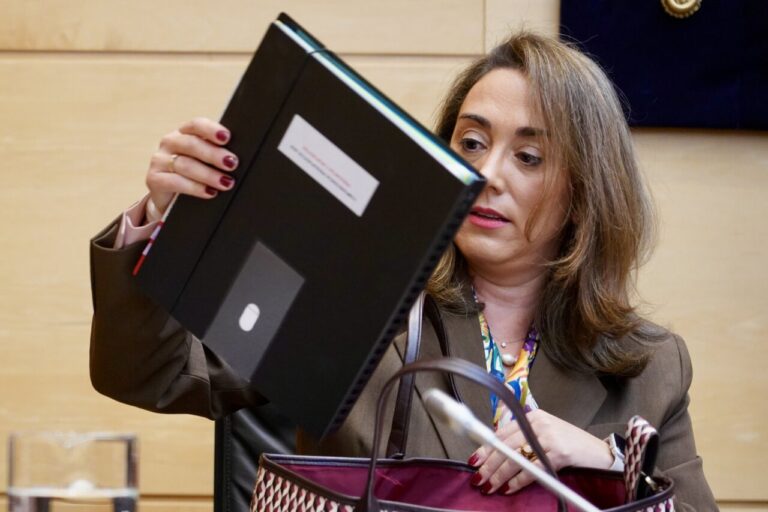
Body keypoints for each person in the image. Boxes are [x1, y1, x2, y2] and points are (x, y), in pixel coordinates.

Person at [89, 31, 717, 510]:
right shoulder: (357, 297)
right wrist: (161, 217)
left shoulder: (650, 366)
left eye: (528, 156)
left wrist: (606, 462)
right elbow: (153, 373)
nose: (487, 174)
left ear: (584, 193)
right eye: (471, 143)